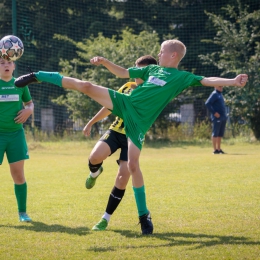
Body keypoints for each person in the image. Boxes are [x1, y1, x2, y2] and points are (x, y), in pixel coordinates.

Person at [14, 39, 248, 234]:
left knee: (133, 166)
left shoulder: (182, 77)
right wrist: (105, 62)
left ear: (174, 55)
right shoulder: (151, 69)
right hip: (125, 103)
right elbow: (124, 72)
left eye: (162, 50)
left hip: (139, 123)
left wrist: (232, 82)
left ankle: (143, 215)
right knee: (85, 85)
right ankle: (38, 76)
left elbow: (208, 80)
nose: (158, 53)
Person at [83, 55, 157, 231]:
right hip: (115, 132)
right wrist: (90, 122)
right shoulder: (128, 86)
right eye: (135, 68)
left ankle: (105, 219)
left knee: (123, 177)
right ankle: (95, 173)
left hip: (132, 138)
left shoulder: (153, 91)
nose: (135, 73)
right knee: (94, 157)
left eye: (140, 70)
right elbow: (109, 106)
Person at [0, 57, 34, 222]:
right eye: (1, 63)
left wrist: (28, 110)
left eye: (8, 63)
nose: (6, 65)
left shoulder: (20, 84)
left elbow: (29, 104)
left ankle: (22, 213)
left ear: (14, 66)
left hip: (16, 136)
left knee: (18, 175)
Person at [205, 86, 227, 154]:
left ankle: (219, 149)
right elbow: (207, 103)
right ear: (215, 86)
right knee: (215, 133)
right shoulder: (214, 94)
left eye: (221, 86)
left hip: (223, 116)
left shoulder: (220, 94)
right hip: (217, 117)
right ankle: (215, 150)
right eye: (219, 86)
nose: (221, 87)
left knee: (220, 133)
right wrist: (214, 113)